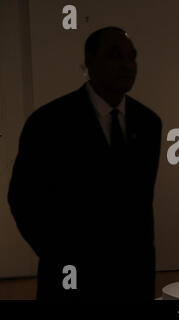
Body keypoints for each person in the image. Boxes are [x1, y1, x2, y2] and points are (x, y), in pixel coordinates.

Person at [8, 26, 162, 299]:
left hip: (132, 280)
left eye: (132, 56)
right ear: (89, 62)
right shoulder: (49, 123)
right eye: (115, 56)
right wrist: (62, 256)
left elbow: (140, 206)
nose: (127, 65)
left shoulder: (148, 123)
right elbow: (23, 200)